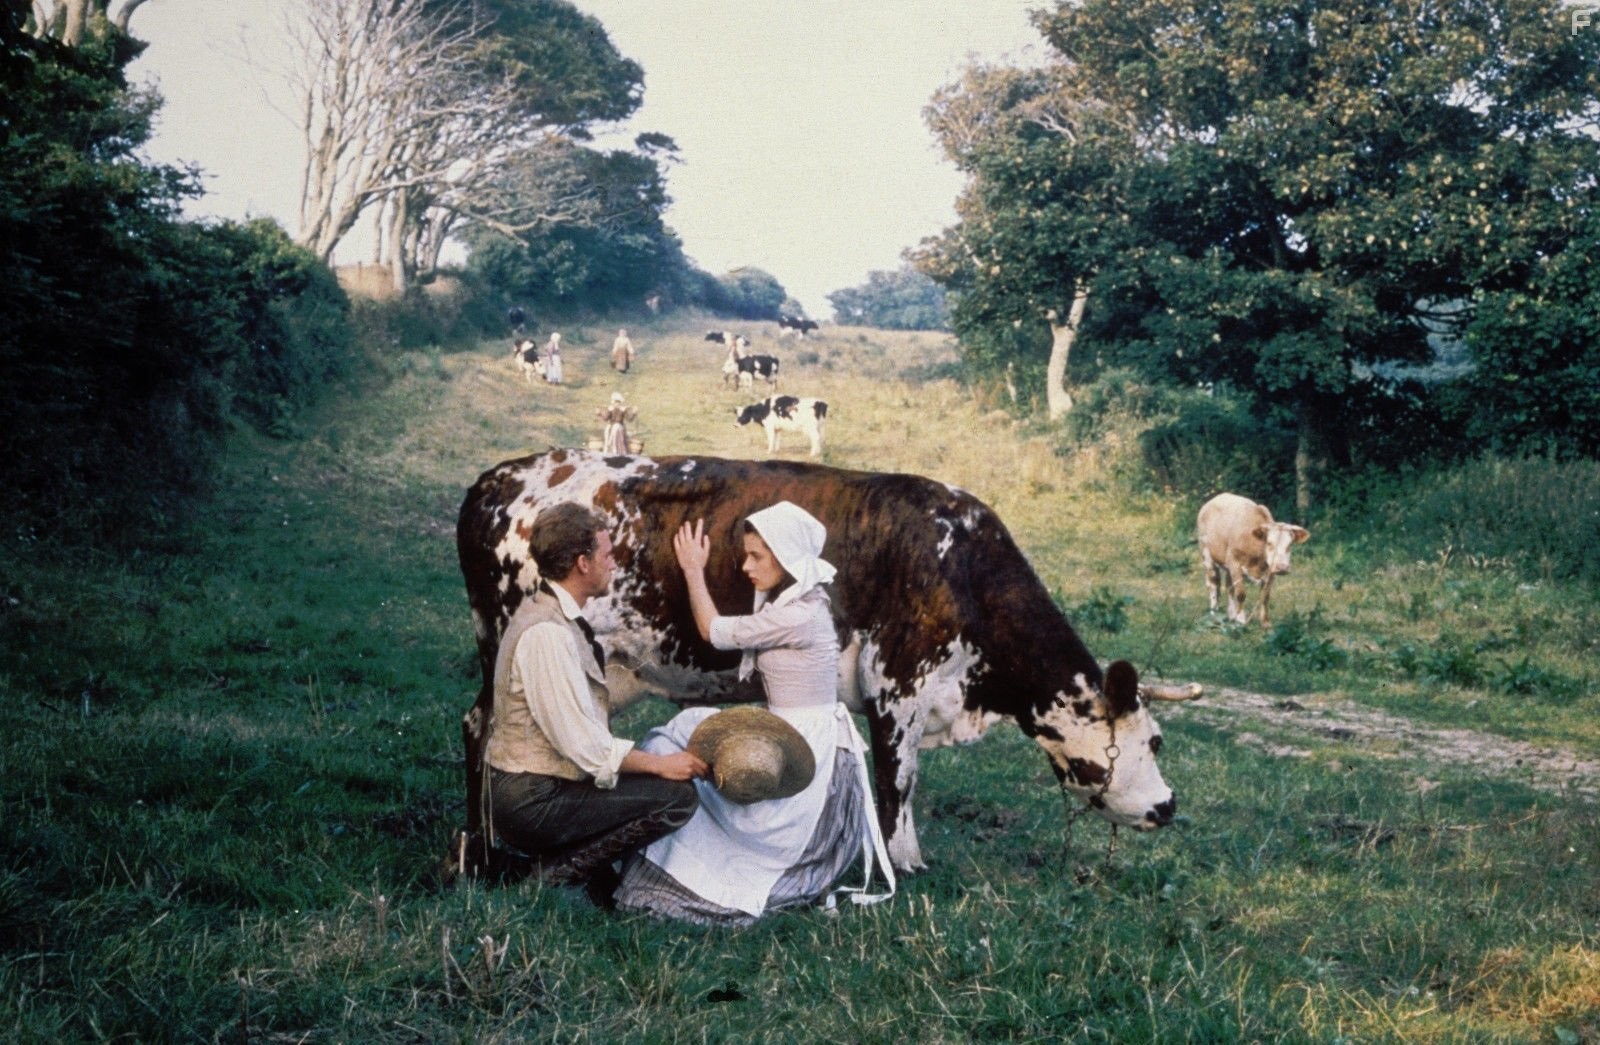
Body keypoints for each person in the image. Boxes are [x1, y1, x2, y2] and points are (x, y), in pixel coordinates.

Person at [613, 502, 895, 924]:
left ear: (787, 557)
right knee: (674, 738)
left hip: (807, 742)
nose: (746, 566)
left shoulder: (801, 614)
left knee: (695, 761)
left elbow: (714, 632)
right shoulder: (798, 603)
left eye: (756, 556)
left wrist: (693, 570)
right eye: (746, 554)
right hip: (790, 725)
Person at [483, 502, 707, 901]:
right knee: (676, 798)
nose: (614, 565)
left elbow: (580, 703)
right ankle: (536, 878)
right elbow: (583, 745)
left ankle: (584, 873)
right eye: (607, 555)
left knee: (652, 783)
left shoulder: (551, 614)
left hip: (536, 788)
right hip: (532, 800)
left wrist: (646, 672)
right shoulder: (547, 634)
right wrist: (660, 765)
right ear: (582, 564)